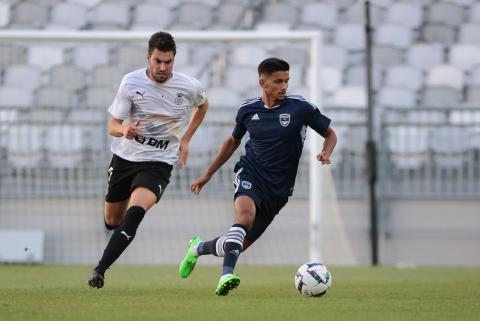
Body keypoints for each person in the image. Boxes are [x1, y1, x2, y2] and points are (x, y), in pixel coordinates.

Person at [178, 57, 336, 295]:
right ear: (263, 82)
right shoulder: (247, 110)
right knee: (245, 215)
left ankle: (197, 248)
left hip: (279, 190)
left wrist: (326, 151)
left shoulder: (300, 108)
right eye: (278, 81)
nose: (284, 86)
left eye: (287, 81)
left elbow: (330, 133)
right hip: (250, 172)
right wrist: (207, 174)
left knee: (237, 244)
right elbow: (232, 141)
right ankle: (226, 275)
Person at [87, 31, 209, 289]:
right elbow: (112, 124)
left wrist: (185, 139)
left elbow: (203, 105)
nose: (163, 67)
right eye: (158, 61)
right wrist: (124, 130)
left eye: (168, 62)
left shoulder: (189, 86)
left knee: (135, 213)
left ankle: (100, 270)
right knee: (112, 220)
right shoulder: (130, 82)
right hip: (125, 157)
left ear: (174, 60)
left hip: (159, 163)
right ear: (148, 58)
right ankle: (114, 236)